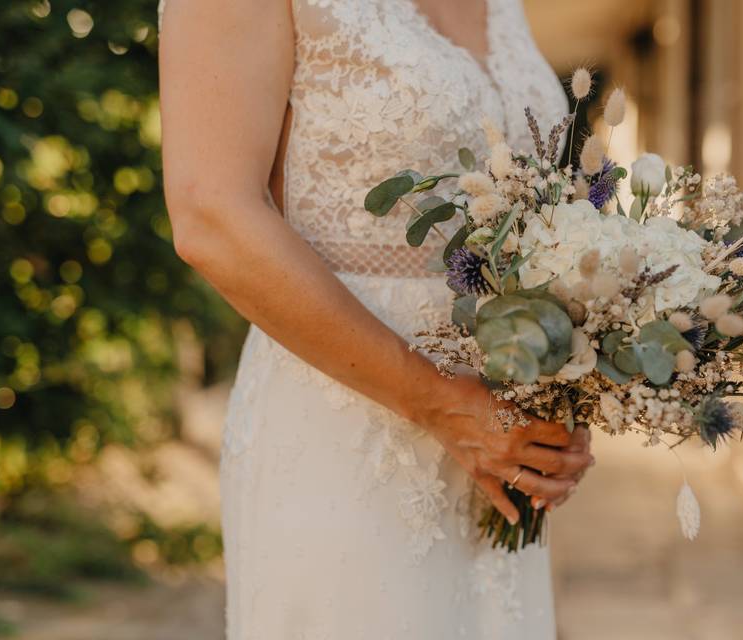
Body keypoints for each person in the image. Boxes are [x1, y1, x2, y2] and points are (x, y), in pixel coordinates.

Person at [158, 0, 594, 636]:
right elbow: (210, 217)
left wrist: (575, 381)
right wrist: (443, 404)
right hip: (344, 431)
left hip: (496, 449)